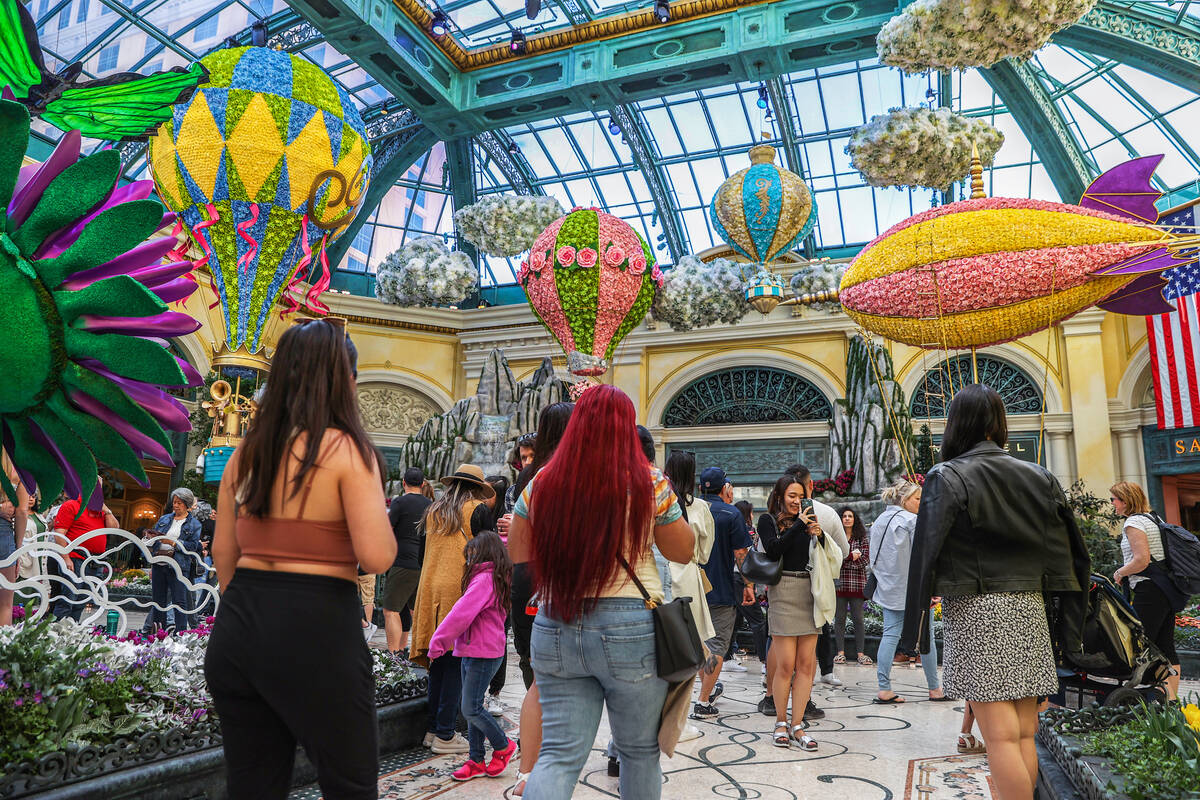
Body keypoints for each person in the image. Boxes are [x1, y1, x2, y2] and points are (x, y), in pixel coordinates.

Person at [205, 318, 396, 800]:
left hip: (240, 623)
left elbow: (222, 552)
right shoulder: (347, 450)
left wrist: (253, 611)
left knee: (252, 786)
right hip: (317, 626)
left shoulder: (246, 452)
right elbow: (375, 556)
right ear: (344, 380)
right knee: (350, 783)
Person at [901, 384, 1090, 800]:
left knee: (1000, 738)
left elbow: (925, 551)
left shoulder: (947, 475)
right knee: (1024, 732)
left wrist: (911, 629)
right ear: (999, 424)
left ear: (956, 425)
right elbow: (1072, 553)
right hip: (1029, 608)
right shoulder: (1039, 475)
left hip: (977, 609)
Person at [510, 385, 694, 799]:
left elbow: (519, 552)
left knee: (557, 755)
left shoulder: (544, 480)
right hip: (630, 627)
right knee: (638, 753)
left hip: (556, 619)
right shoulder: (649, 481)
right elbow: (683, 550)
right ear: (626, 430)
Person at [503, 401, 573, 796]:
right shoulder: (570, 475)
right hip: (559, 582)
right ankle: (550, 755)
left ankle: (528, 771)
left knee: (537, 674)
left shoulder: (532, 477)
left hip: (529, 576)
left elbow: (517, 546)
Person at [411, 463, 494, 755]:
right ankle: (446, 734)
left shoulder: (434, 511)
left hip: (429, 589)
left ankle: (434, 729)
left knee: (438, 662)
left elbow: (423, 554)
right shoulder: (477, 510)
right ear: (476, 488)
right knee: (456, 662)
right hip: (458, 591)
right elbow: (489, 552)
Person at [757, 472, 845, 750]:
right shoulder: (767, 520)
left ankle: (797, 725)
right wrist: (799, 526)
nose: (796, 501)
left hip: (810, 591)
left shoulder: (810, 520)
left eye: (800, 495)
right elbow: (773, 551)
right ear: (780, 496)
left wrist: (817, 536)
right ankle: (780, 722)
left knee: (807, 665)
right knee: (785, 665)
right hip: (783, 592)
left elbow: (823, 557)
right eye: (791, 496)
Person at [428, 531, 518, 782]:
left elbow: (460, 614)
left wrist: (437, 644)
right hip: (473, 650)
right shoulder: (493, 576)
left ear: (483, 554)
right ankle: (476, 760)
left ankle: (503, 746)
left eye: (471, 554)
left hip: (482, 653)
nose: (468, 560)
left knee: (471, 707)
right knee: (472, 707)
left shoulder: (485, 579)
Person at [869, 479, 946, 703]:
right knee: (926, 636)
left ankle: (884, 688)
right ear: (904, 499)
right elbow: (925, 558)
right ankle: (934, 689)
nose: (921, 503)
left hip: (888, 587)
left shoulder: (880, 520)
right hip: (916, 589)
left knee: (890, 635)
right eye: (917, 499)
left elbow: (874, 558)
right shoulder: (913, 521)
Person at [1110, 481, 1181, 700]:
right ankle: (1171, 699)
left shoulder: (1133, 523)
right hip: (1166, 590)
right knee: (1164, 644)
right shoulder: (1153, 518)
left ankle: (1135, 692)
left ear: (1125, 500)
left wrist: (1120, 572)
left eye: (1114, 499)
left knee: (1138, 640)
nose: (1112, 503)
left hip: (1149, 589)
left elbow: (1142, 560)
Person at [693, 466, 753, 720]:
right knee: (717, 644)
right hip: (721, 589)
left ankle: (708, 686)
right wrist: (749, 585)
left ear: (700, 488)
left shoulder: (688, 510)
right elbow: (741, 554)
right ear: (725, 487)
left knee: (698, 644)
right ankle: (704, 701)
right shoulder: (731, 514)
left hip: (691, 588)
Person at [51, 480, 118, 621]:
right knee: (68, 599)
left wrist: (107, 511)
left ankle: (72, 631)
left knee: (82, 600)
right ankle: (55, 633)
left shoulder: (101, 511)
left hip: (95, 561)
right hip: (75, 559)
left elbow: (115, 529)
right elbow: (59, 534)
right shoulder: (71, 505)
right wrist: (65, 558)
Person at [384, 467, 431, 655]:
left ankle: (394, 655)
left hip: (402, 563)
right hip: (422, 564)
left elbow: (386, 528)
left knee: (390, 610)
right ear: (422, 484)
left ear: (404, 483)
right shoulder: (431, 504)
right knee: (411, 610)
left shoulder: (399, 503)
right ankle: (406, 651)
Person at [148, 487, 203, 631]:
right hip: (159, 562)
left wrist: (172, 542)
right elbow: (155, 537)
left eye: (179, 502)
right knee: (158, 601)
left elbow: (192, 546)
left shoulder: (194, 524)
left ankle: (180, 634)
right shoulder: (164, 519)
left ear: (187, 504)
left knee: (180, 601)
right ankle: (158, 634)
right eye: (174, 502)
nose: (175, 505)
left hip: (178, 566)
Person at [834, 507, 872, 666]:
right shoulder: (836, 537)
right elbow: (833, 559)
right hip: (840, 584)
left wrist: (845, 561)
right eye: (844, 516)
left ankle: (861, 654)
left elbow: (865, 560)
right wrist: (851, 557)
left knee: (858, 620)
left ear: (854, 519)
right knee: (839, 619)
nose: (847, 518)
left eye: (850, 516)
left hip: (857, 585)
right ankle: (840, 653)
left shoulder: (862, 537)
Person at [0, 453, 29, 626]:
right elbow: (22, 512)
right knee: (4, 605)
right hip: (3, 533)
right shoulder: (22, 465)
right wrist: (17, 551)